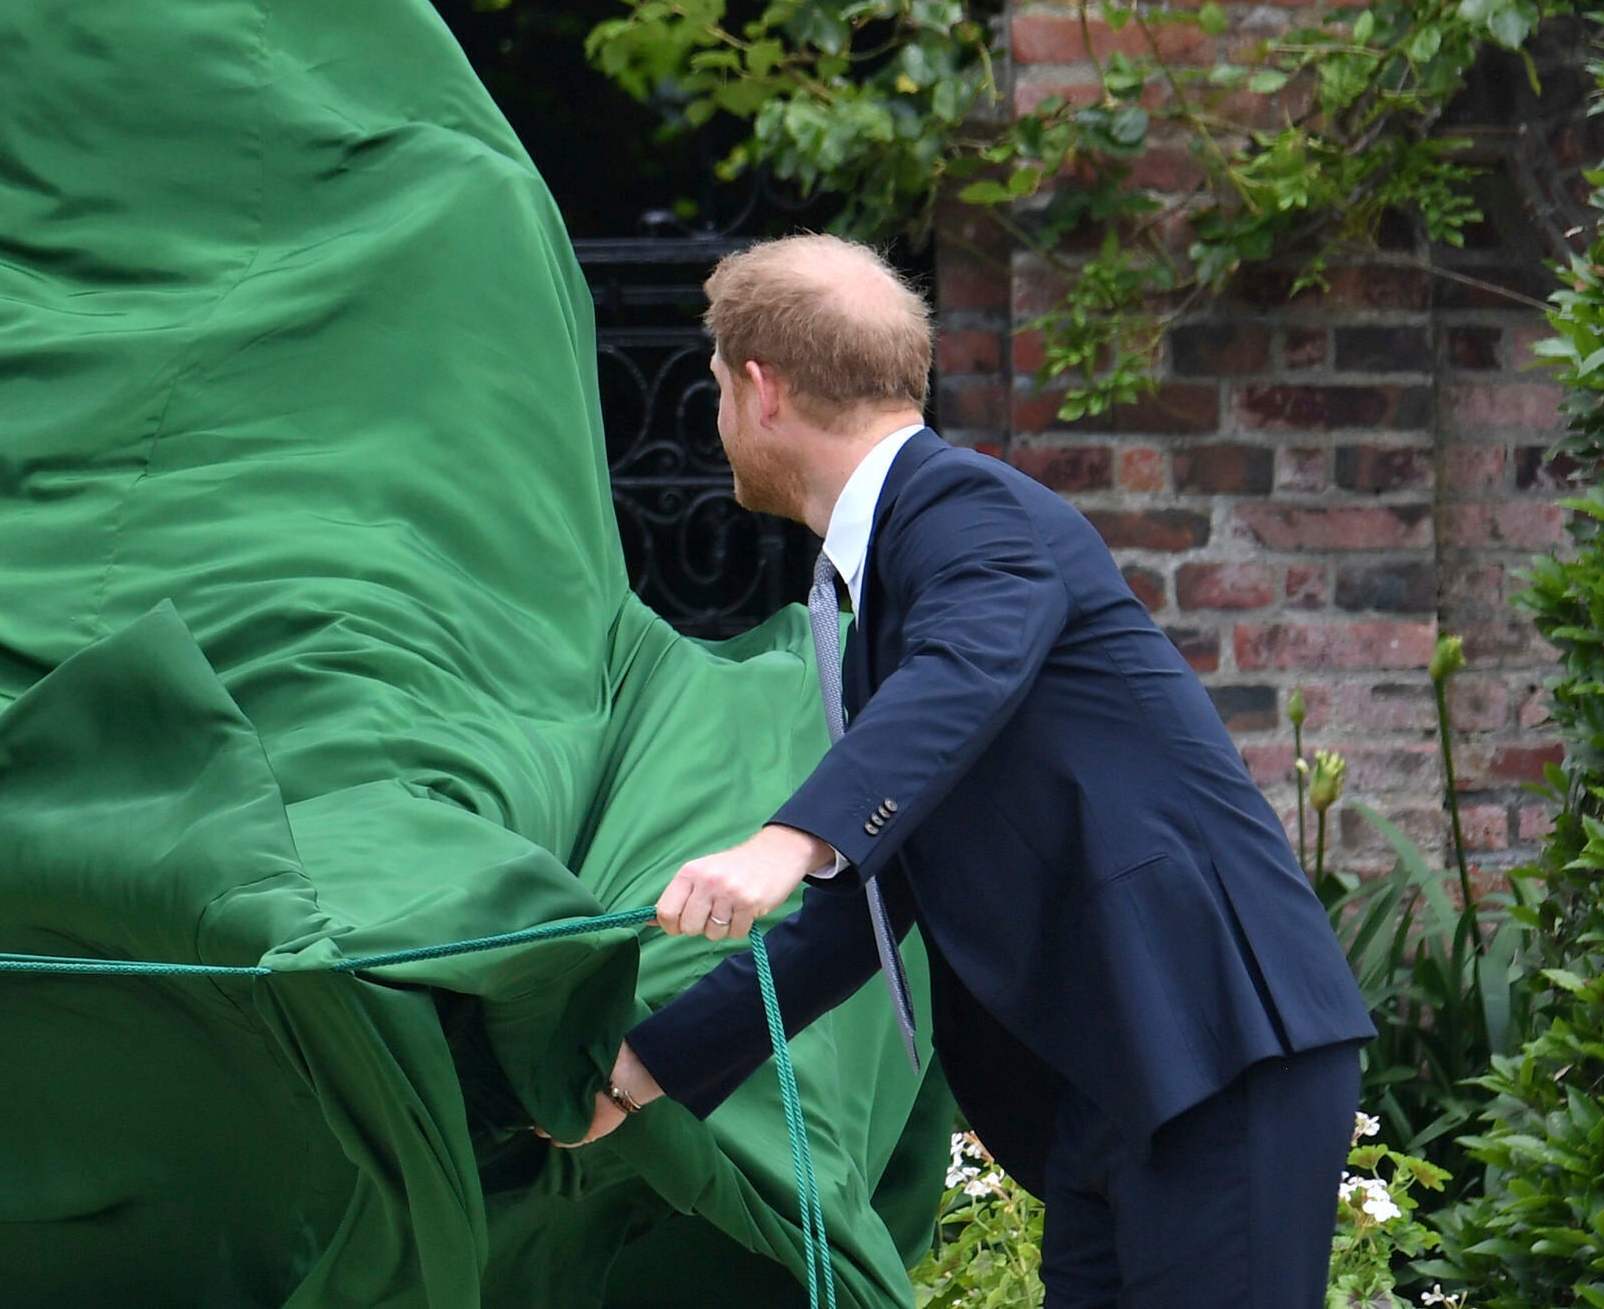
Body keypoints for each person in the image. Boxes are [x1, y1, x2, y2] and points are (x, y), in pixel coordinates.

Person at [573, 235, 1371, 1309]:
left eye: (714, 387)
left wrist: (783, 841)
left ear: (758, 391)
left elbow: (966, 665)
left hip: (1211, 1045)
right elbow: (854, 920)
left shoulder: (964, 512)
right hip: (1119, 1079)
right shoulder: (899, 577)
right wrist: (637, 1076)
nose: (715, 420)